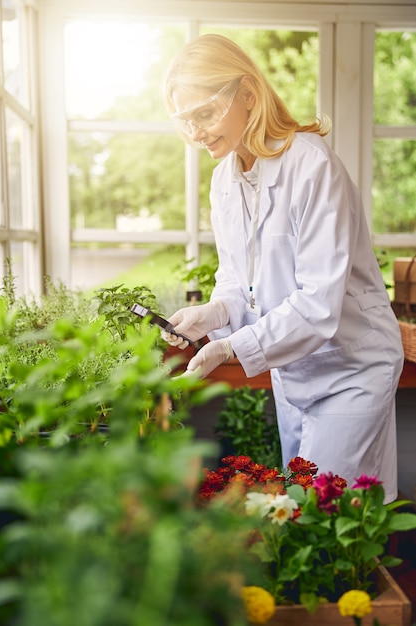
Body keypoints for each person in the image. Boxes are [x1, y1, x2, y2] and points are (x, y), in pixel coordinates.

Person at [161, 33, 404, 502]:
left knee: (327, 516)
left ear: (248, 95)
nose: (196, 133)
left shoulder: (312, 166)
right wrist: (210, 315)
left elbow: (317, 305)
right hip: (294, 370)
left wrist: (229, 348)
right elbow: (239, 278)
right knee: (302, 513)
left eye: (205, 114)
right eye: (184, 122)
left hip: (352, 367)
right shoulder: (225, 179)